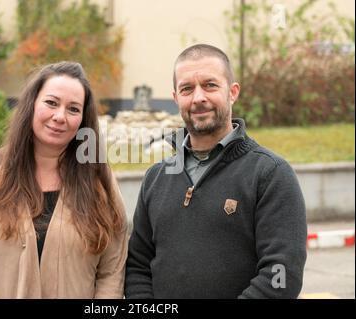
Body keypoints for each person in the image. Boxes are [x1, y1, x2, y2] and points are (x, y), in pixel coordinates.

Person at [125, 44, 307, 299]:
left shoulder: (270, 174)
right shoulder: (156, 178)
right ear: (176, 98)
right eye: (187, 88)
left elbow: (282, 274)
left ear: (233, 92)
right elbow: (138, 266)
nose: (198, 97)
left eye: (210, 85)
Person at [0, 62, 128, 298]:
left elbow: (112, 272)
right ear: (32, 105)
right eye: (51, 103)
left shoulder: (99, 179)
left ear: (83, 121)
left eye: (73, 109)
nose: (60, 116)